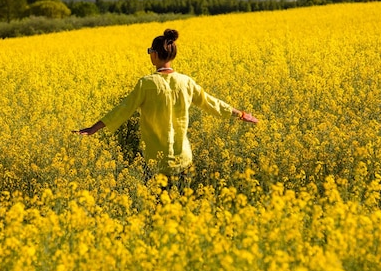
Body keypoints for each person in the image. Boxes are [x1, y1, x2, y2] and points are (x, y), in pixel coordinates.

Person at [77, 29, 258, 178]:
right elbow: (211, 103)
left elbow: (122, 110)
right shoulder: (186, 82)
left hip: (156, 162)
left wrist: (93, 129)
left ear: (155, 55)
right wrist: (240, 114)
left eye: (150, 52)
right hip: (183, 159)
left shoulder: (146, 84)